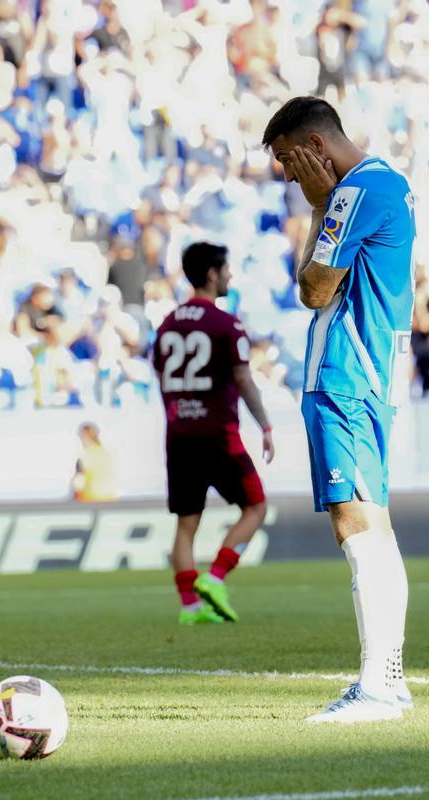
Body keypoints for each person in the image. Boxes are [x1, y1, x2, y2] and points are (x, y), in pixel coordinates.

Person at [262, 97, 416, 722]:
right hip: (376, 373)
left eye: (288, 163)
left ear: (315, 148)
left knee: (356, 525)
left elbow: (313, 289)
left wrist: (323, 204)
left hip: (345, 373)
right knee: (375, 525)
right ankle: (390, 680)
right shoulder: (393, 182)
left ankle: (378, 689)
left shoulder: (351, 193)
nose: (289, 179)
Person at [152, 242, 274, 627]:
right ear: (211, 274)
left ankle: (190, 608)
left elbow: (160, 377)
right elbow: (243, 378)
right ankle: (216, 578)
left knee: (187, 524)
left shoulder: (167, 323)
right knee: (255, 506)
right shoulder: (226, 324)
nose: (230, 276)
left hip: (179, 435)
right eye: (225, 269)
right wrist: (265, 425)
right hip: (219, 434)